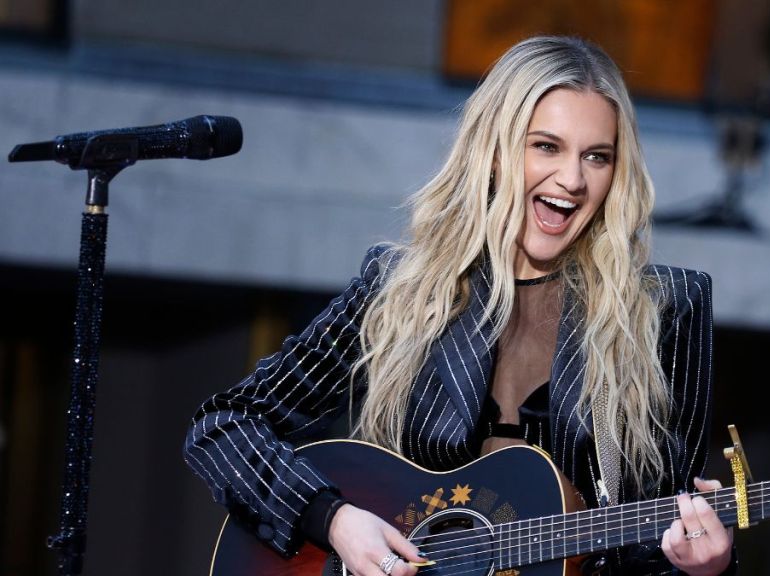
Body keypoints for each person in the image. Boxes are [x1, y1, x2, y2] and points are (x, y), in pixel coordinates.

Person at [185, 36, 735, 576]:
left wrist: (705, 569)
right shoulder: (400, 288)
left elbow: (660, 535)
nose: (572, 179)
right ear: (493, 152)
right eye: (545, 146)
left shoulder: (664, 310)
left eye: (597, 156)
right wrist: (334, 521)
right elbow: (224, 426)